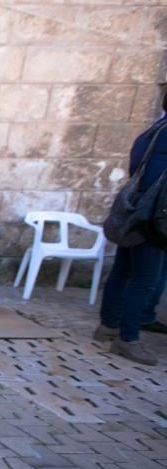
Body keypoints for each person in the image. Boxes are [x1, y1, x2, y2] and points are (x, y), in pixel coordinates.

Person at [94, 91, 167, 366]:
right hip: (152, 217)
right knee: (146, 279)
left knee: (124, 270)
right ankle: (128, 338)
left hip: (137, 211)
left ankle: (108, 325)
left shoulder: (152, 131)